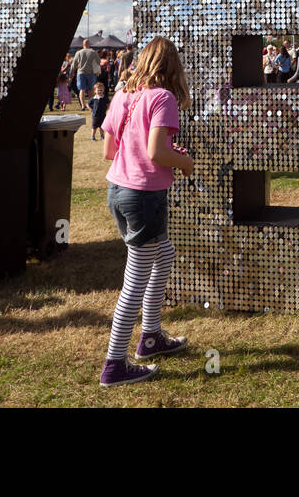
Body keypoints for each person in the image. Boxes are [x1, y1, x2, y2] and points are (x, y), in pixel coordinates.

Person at [99, 37, 193, 388]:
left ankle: (151, 339)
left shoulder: (124, 94)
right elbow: (156, 153)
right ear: (171, 67)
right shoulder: (163, 97)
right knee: (135, 281)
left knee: (163, 254)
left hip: (119, 192)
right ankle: (114, 365)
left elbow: (110, 149)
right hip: (143, 196)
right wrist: (184, 161)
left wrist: (163, 151)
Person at [73, 39, 101, 111]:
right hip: (91, 73)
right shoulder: (93, 52)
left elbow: (74, 64)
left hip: (81, 73)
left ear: (83, 45)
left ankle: (82, 106)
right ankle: (90, 105)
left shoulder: (78, 52)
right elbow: (98, 61)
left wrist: (71, 74)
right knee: (90, 90)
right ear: (89, 44)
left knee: (82, 90)